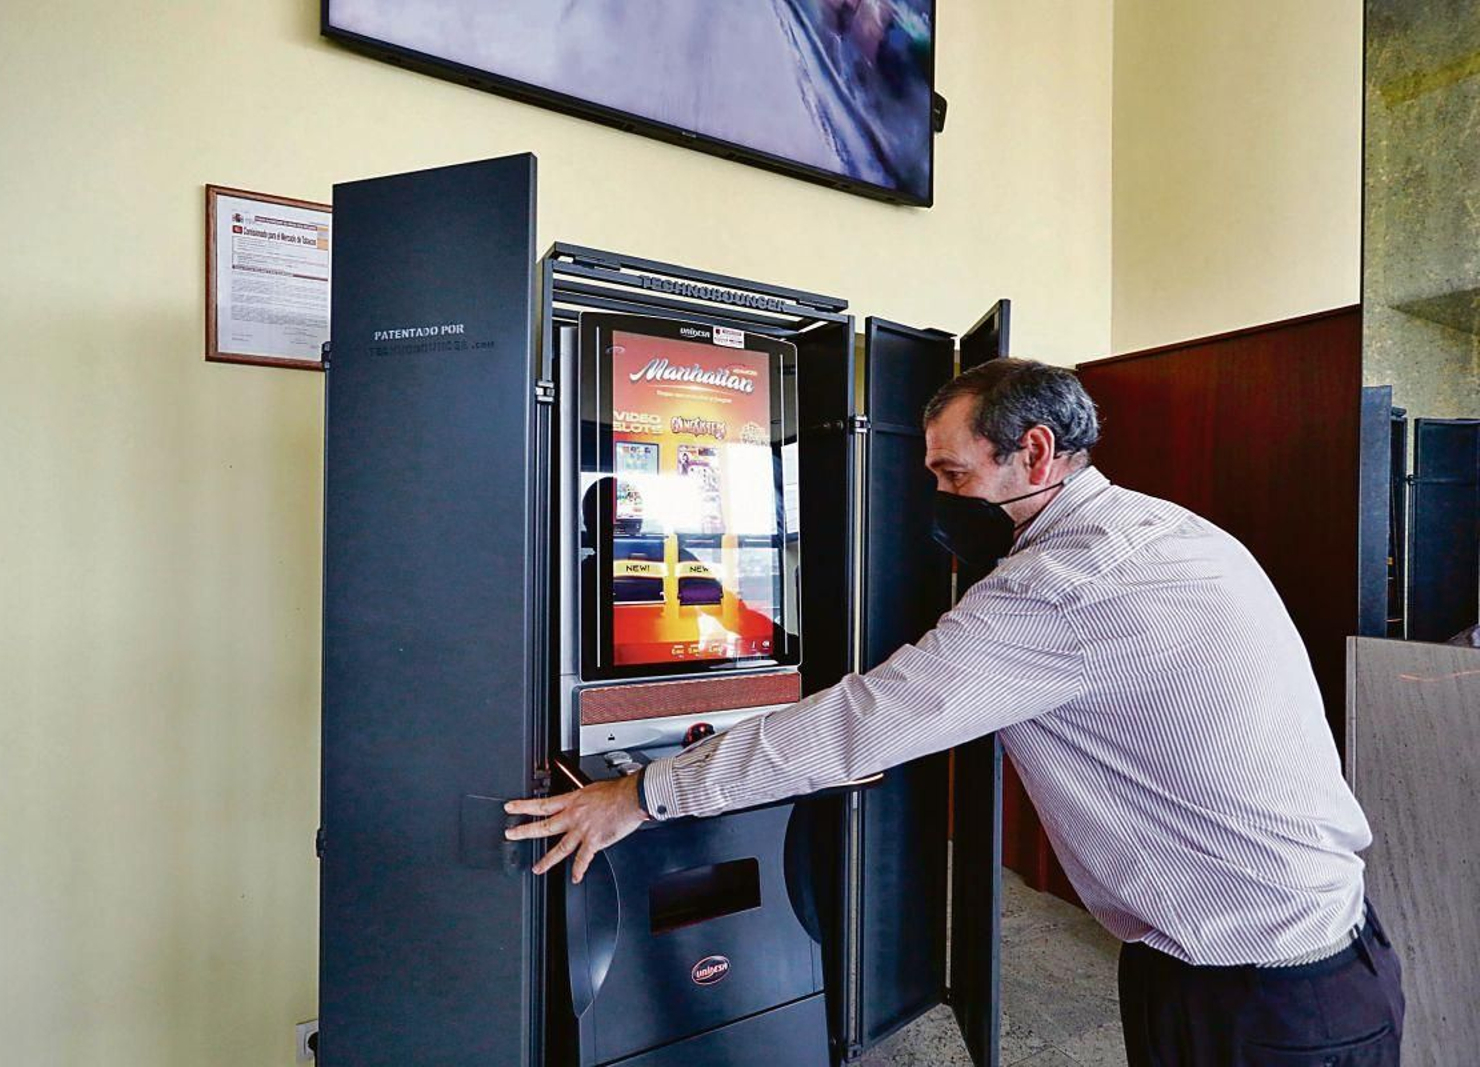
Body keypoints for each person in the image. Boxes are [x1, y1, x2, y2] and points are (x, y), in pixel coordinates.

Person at [506, 359, 1405, 1064]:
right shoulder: (1162, 527)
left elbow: (867, 716)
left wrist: (638, 794)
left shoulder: (1061, 586)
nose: (938, 500)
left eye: (952, 474)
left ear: (1037, 452)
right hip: (1307, 950)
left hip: (1263, 995)